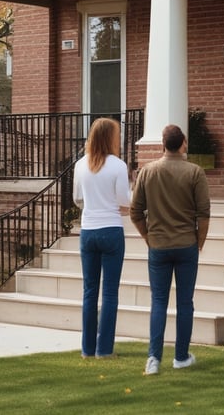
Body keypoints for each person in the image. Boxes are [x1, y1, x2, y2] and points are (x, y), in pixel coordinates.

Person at [130, 124, 210, 375]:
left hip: (158, 245)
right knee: (185, 302)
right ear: (183, 143)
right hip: (186, 243)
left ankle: (154, 358)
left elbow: (135, 212)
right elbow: (204, 213)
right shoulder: (195, 172)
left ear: (163, 144)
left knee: (158, 302)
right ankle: (181, 356)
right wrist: (200, 241)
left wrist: (147, 235)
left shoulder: (147, 172)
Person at [72, 116, 132, 359]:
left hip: (88, 230)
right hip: (111, 230)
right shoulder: (118, 165)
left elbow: (77, 199)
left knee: (89, 291)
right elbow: (124, 201)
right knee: (109, 293)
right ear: (111, 138)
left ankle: (87, 349)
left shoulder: (80, 165)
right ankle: (104, 349)